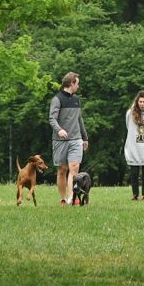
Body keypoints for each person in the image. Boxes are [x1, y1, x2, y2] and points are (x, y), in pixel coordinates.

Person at [49, 71, 87, 206]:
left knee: (74, 168)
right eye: (77, 83)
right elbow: (52, 118)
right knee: (62, 170)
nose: (78, 86)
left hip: (76, 139)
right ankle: (63, 199)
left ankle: (72, 198)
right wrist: (59, 130)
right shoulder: (57, 99)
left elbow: (79, 119)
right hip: (60, 141)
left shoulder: (77, 100)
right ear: (72, 83)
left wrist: (84, 137)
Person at [123, 90, 144, 200]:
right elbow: (129, 127)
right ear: (137, 102)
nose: (142, 104)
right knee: (134, 173)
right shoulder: (130, 113)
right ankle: (135, 194)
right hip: (134, 147)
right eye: (140, 101)